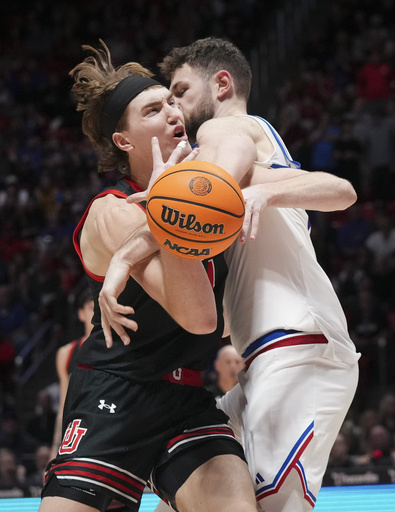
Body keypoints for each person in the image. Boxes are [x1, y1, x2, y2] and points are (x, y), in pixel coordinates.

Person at [99, 37, 360, 512]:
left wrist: (123, 257)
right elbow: (341, 189)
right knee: (196, 485)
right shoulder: (257, 143)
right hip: (265, 359)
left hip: (295, 347)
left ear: (221, 84)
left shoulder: (226, 130)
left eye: (179, 91)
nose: (173, 106)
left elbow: (187, 203)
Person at [38, 40, 257, 512]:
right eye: (154, 109)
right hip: (115, 392)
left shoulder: (203, 181)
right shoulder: (110, 213)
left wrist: (266, 191)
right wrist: (166, 212)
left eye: (172, 101)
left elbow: (334, 188)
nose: (174, 112)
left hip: (186, 398)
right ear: (124, 140)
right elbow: (200, 317)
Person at [49, 287, 94, 460]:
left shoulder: (119, 348)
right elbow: (63, 406)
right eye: (92, 308)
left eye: (100, 307)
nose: (97, 313)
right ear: (81, 314)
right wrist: (55, 447)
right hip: (79, 428)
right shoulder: (66, 353)